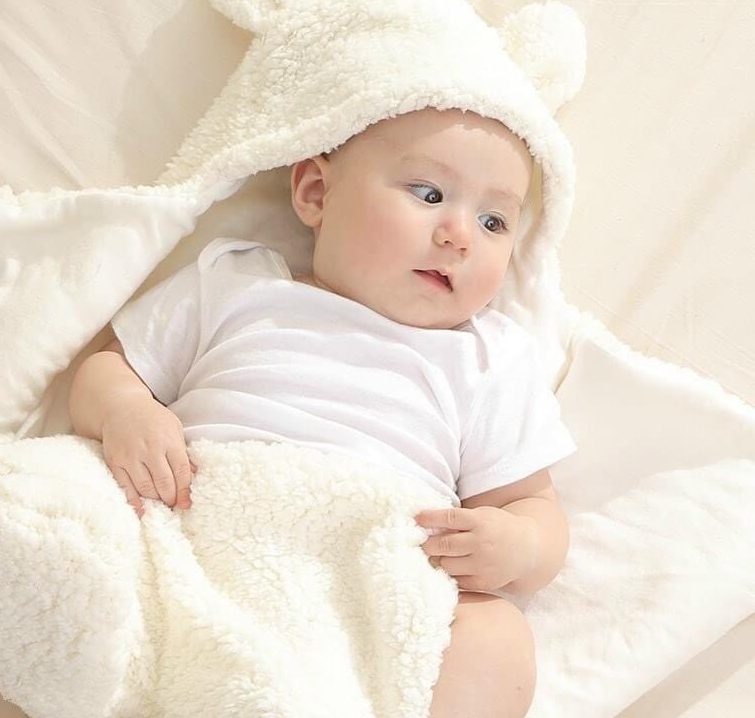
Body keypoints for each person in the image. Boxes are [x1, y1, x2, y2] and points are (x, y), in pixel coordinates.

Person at [69, 104, 576, 718]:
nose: (459, 235)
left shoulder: (488, 358)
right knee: (62, 508)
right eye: (429, 193)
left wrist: (521, 546)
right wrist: (126, 410)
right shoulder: (235, 283)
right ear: (315, 192)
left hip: (368, 576)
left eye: (494, 221)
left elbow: (532, 503)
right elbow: (108, 367)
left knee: (497, 635)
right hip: (194, 535)